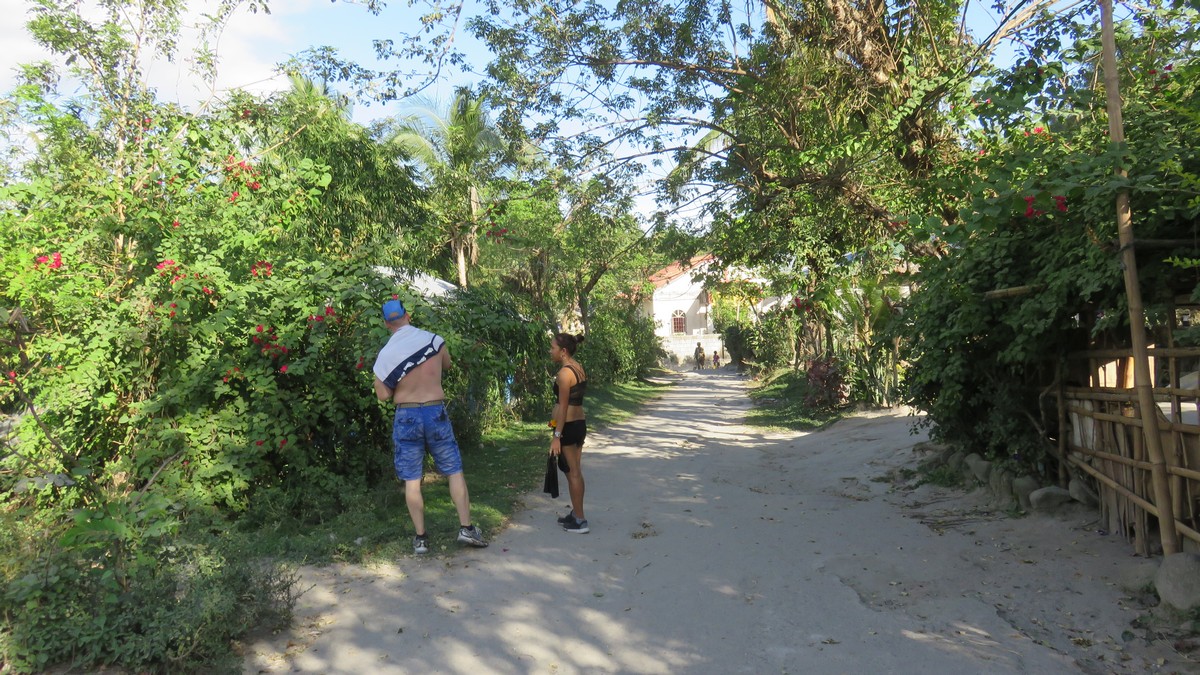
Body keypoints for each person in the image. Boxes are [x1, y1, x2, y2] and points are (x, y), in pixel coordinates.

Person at [372, 298, 487, 554]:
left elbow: (382, 395)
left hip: (407, 414)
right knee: (454, 470)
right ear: (408, 315)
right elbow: (447, 364)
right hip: (435, 411)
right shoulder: (434, 340)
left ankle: (421, 539)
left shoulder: (386, 355)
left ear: (386, 324)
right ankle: (466, 528)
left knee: (412, 480)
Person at [550, 332, 590, 533]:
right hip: (579, 424)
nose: (550, 351)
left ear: (563, 351)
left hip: (568, 427)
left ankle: (580, 520)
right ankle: (576, 513)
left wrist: (556, 436)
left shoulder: (564, 374)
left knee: (573, 473)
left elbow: (564, 407)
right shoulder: (578, 367)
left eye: (553, 348)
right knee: (574, 472)